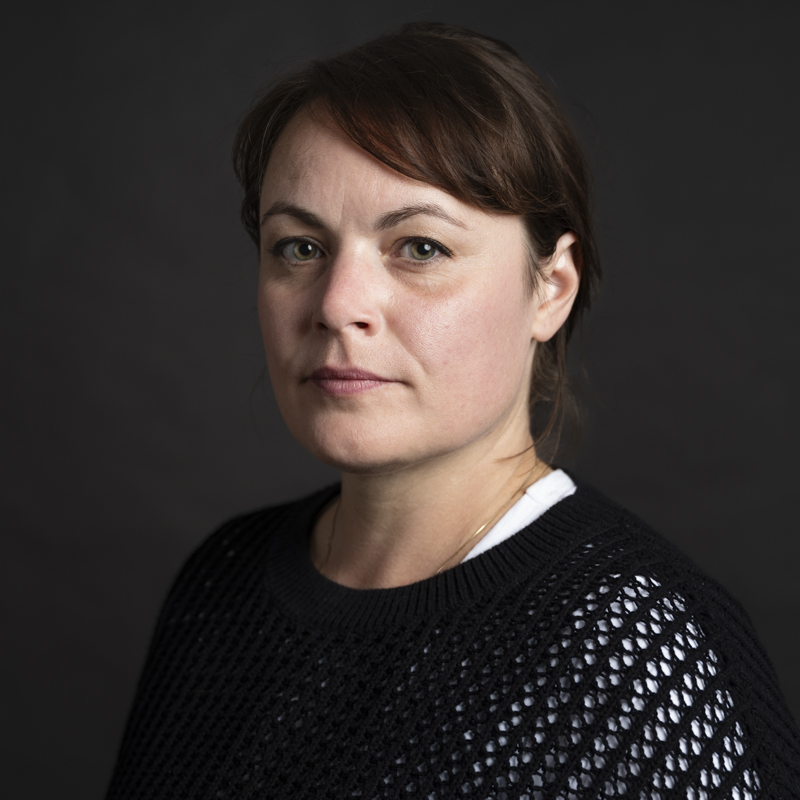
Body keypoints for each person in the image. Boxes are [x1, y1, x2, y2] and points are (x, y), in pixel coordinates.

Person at [105, 22, 800, 799]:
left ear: (551, 288)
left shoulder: (636, 652)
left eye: (420, 248)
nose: (338, 305)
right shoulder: (221, 583)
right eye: (299, 247)